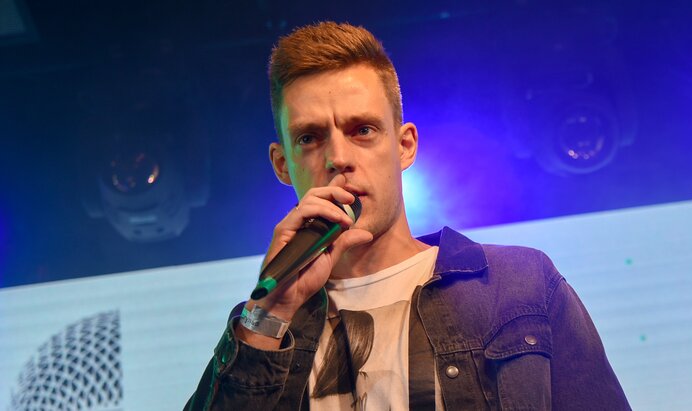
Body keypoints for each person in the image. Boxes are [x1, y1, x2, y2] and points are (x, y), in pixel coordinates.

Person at [185, 22, 631, 410]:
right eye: (309, 138)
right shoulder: (264, 328)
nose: (339, 158)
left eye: (362, 130)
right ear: (283, 164)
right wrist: (269, 314)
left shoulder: (521, 285)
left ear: (404, 146)